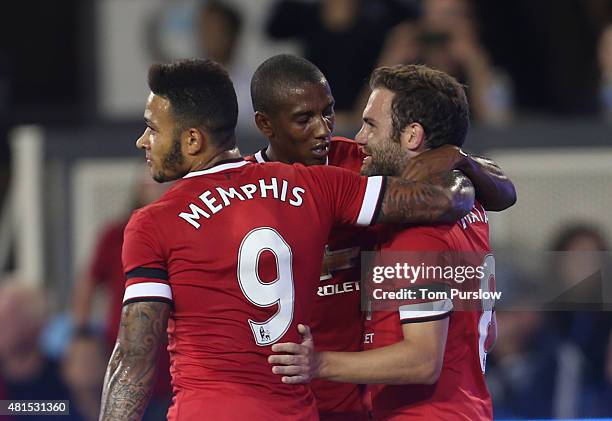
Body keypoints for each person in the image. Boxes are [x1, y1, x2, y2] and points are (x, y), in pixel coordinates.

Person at [98, 58, 476, 421]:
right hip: (296, 410)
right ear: (263, 123)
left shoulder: (153, 222)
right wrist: (459, 164)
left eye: (152, 128)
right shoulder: (314, 187)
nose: (142, 141)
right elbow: (446, 198)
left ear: (193, 139)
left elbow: (134, 358)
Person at [248, 54, 515, 419]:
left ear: (411, 134)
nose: (329, 130)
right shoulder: (243, 191)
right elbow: (486, 332)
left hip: (401, 405)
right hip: (305, 399)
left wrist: (319, 363)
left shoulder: (414, 218)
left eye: (328, 112)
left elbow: (422, 359)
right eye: (303, 118)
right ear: (265, 124)